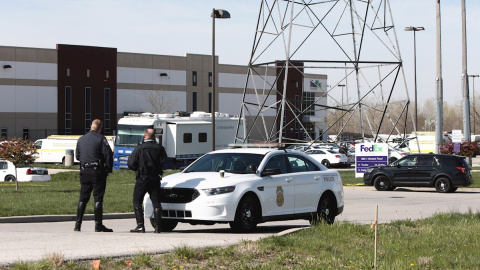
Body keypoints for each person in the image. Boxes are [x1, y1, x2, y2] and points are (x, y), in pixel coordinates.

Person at [74, 119, 114, 232]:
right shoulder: (101, 139)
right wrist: (108, 169)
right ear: (100, 128)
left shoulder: (81, 139)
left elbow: (77, 156)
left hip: (84, 171)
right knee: (98, 198)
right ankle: (98, 224)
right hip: (97, 172)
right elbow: (108, 155)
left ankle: (77, 224)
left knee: (83, 198)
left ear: (91, 126)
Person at [127, 128, 167, 233]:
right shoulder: (159, 148)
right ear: (154, 137)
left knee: (137, 201)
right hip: (155, 178)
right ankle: (158, 227)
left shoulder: (139, 148)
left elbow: (131, 163)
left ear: (145, 137)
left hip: (142, 178)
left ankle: (140, 226)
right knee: (156, 202)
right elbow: (164, 161)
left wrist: (137, 168)